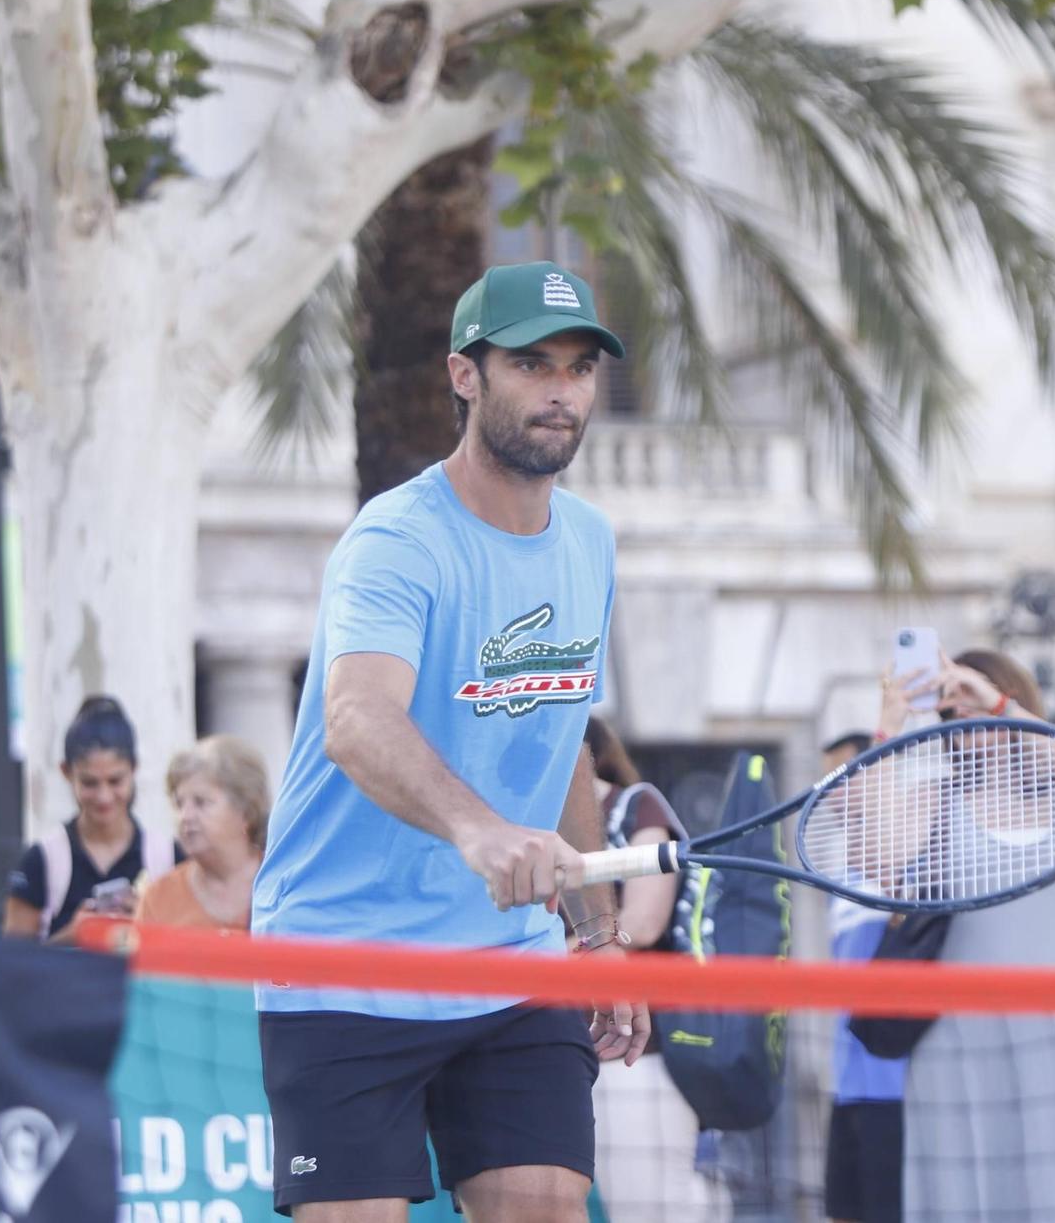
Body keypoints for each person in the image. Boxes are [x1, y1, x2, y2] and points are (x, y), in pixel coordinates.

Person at [251, 261, 642, 1222]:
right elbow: (355, 719)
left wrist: (595, 934)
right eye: (532, 364)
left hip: (509, 964)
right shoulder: (397, 540)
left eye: (581, 367)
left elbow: (559, 743)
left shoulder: (590, 542)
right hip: (345, 960)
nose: (562, 391)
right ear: (466, 376)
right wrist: (476, 831)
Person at [898, 650, 1055, 1221]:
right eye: (950, 707)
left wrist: (996, 705)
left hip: (1047, 1044)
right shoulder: (936, 802)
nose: (962, 714)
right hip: (952, 1043)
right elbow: (879, 856)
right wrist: (889, 723)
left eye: (971, 699)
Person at [583, 717, 730, 1223]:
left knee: (648, 1203)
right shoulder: (525, 825)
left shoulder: (635, 806)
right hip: (562, 1047)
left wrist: (551, 951)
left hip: (639, 1049)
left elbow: (643, 923)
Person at [818, 724, 906, 1223]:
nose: (832, 792)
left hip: (893, 1087)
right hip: (846, 1081)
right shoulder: (838, 875)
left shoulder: (904, 864)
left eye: (843, 776)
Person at [5, 696, 175, 942]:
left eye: (115, 781)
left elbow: (189, 958)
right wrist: (74, 935)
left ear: (134, 769)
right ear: (66, 772)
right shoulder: (41, 861)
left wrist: (148, 922)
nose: (104, 797)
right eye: (89, 783)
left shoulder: (167, 858)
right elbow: (11, 965)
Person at [136, 735, 270, 931]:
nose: (185, 816)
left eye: (201, 802)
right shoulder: (158, 899)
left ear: (246, 811)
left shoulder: (281, 884)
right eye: (179, 804)